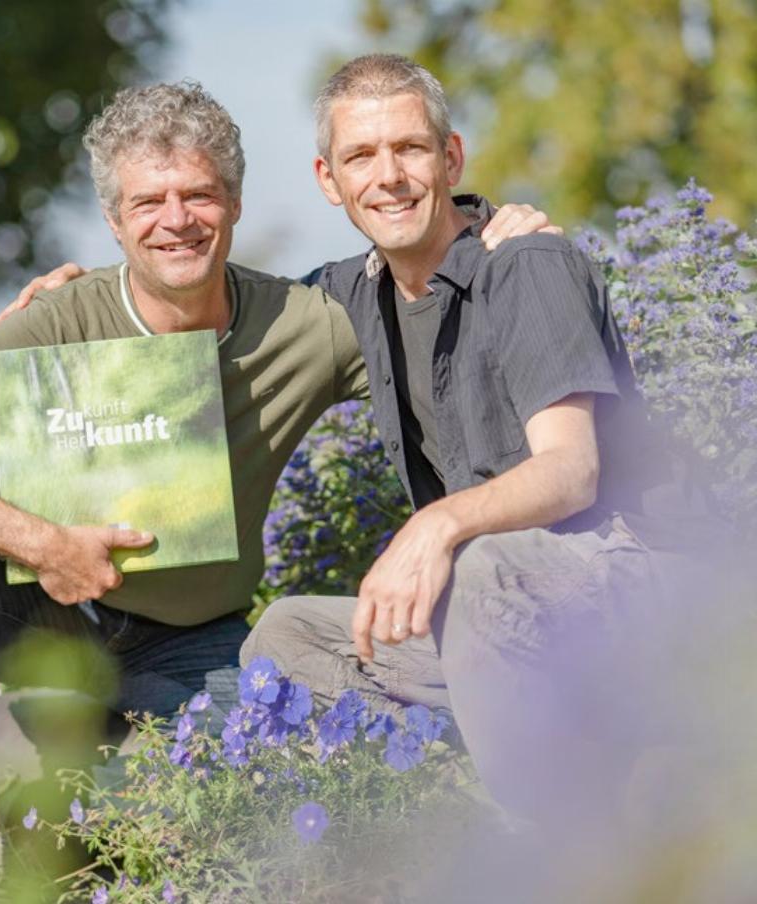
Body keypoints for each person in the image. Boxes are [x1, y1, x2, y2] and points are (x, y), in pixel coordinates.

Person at [0, 80, 552, 902]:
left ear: (236, 202)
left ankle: (55, 810)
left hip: (191, 640)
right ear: (114, 222)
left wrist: (500, 235)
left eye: (199, 195)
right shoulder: (50, 324)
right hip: (47, 610)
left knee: (257, 798)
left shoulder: (308, 323)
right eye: (148, 201)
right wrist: (46, 546)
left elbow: (426, 296)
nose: (176, 219)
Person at [238, 54, 723, 830]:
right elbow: (204, 314)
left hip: (637, 575)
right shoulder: (347, 295)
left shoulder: (524, 263)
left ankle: (562, 856)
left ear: (451, 156)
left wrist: (437, 524)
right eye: (362, 156)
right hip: (497, 608)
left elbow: (571, 471)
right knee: (289, 634)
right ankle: (456, 830)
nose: (388, 176)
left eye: (411, 149)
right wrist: (70, 301)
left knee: (482, 568)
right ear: (330, 180)